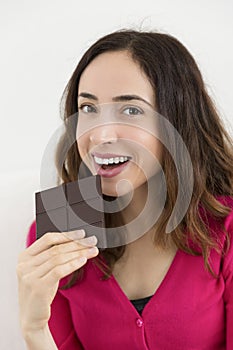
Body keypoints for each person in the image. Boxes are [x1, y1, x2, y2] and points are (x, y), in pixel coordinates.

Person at [17, 28, 233, 350]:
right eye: (88, 108)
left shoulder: (225, 227)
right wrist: (35, 330)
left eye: (131, 110)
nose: (100, 134)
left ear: (176, 120)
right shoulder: (55, 233)